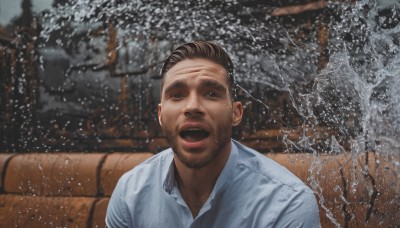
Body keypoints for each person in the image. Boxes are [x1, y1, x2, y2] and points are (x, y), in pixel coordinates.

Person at [106, 41, 321, 227]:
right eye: (177, 94)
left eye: (211, 93)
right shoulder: (130, 195)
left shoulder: (287, 204)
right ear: (161, 115)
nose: (192, 106)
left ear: (236, 113)